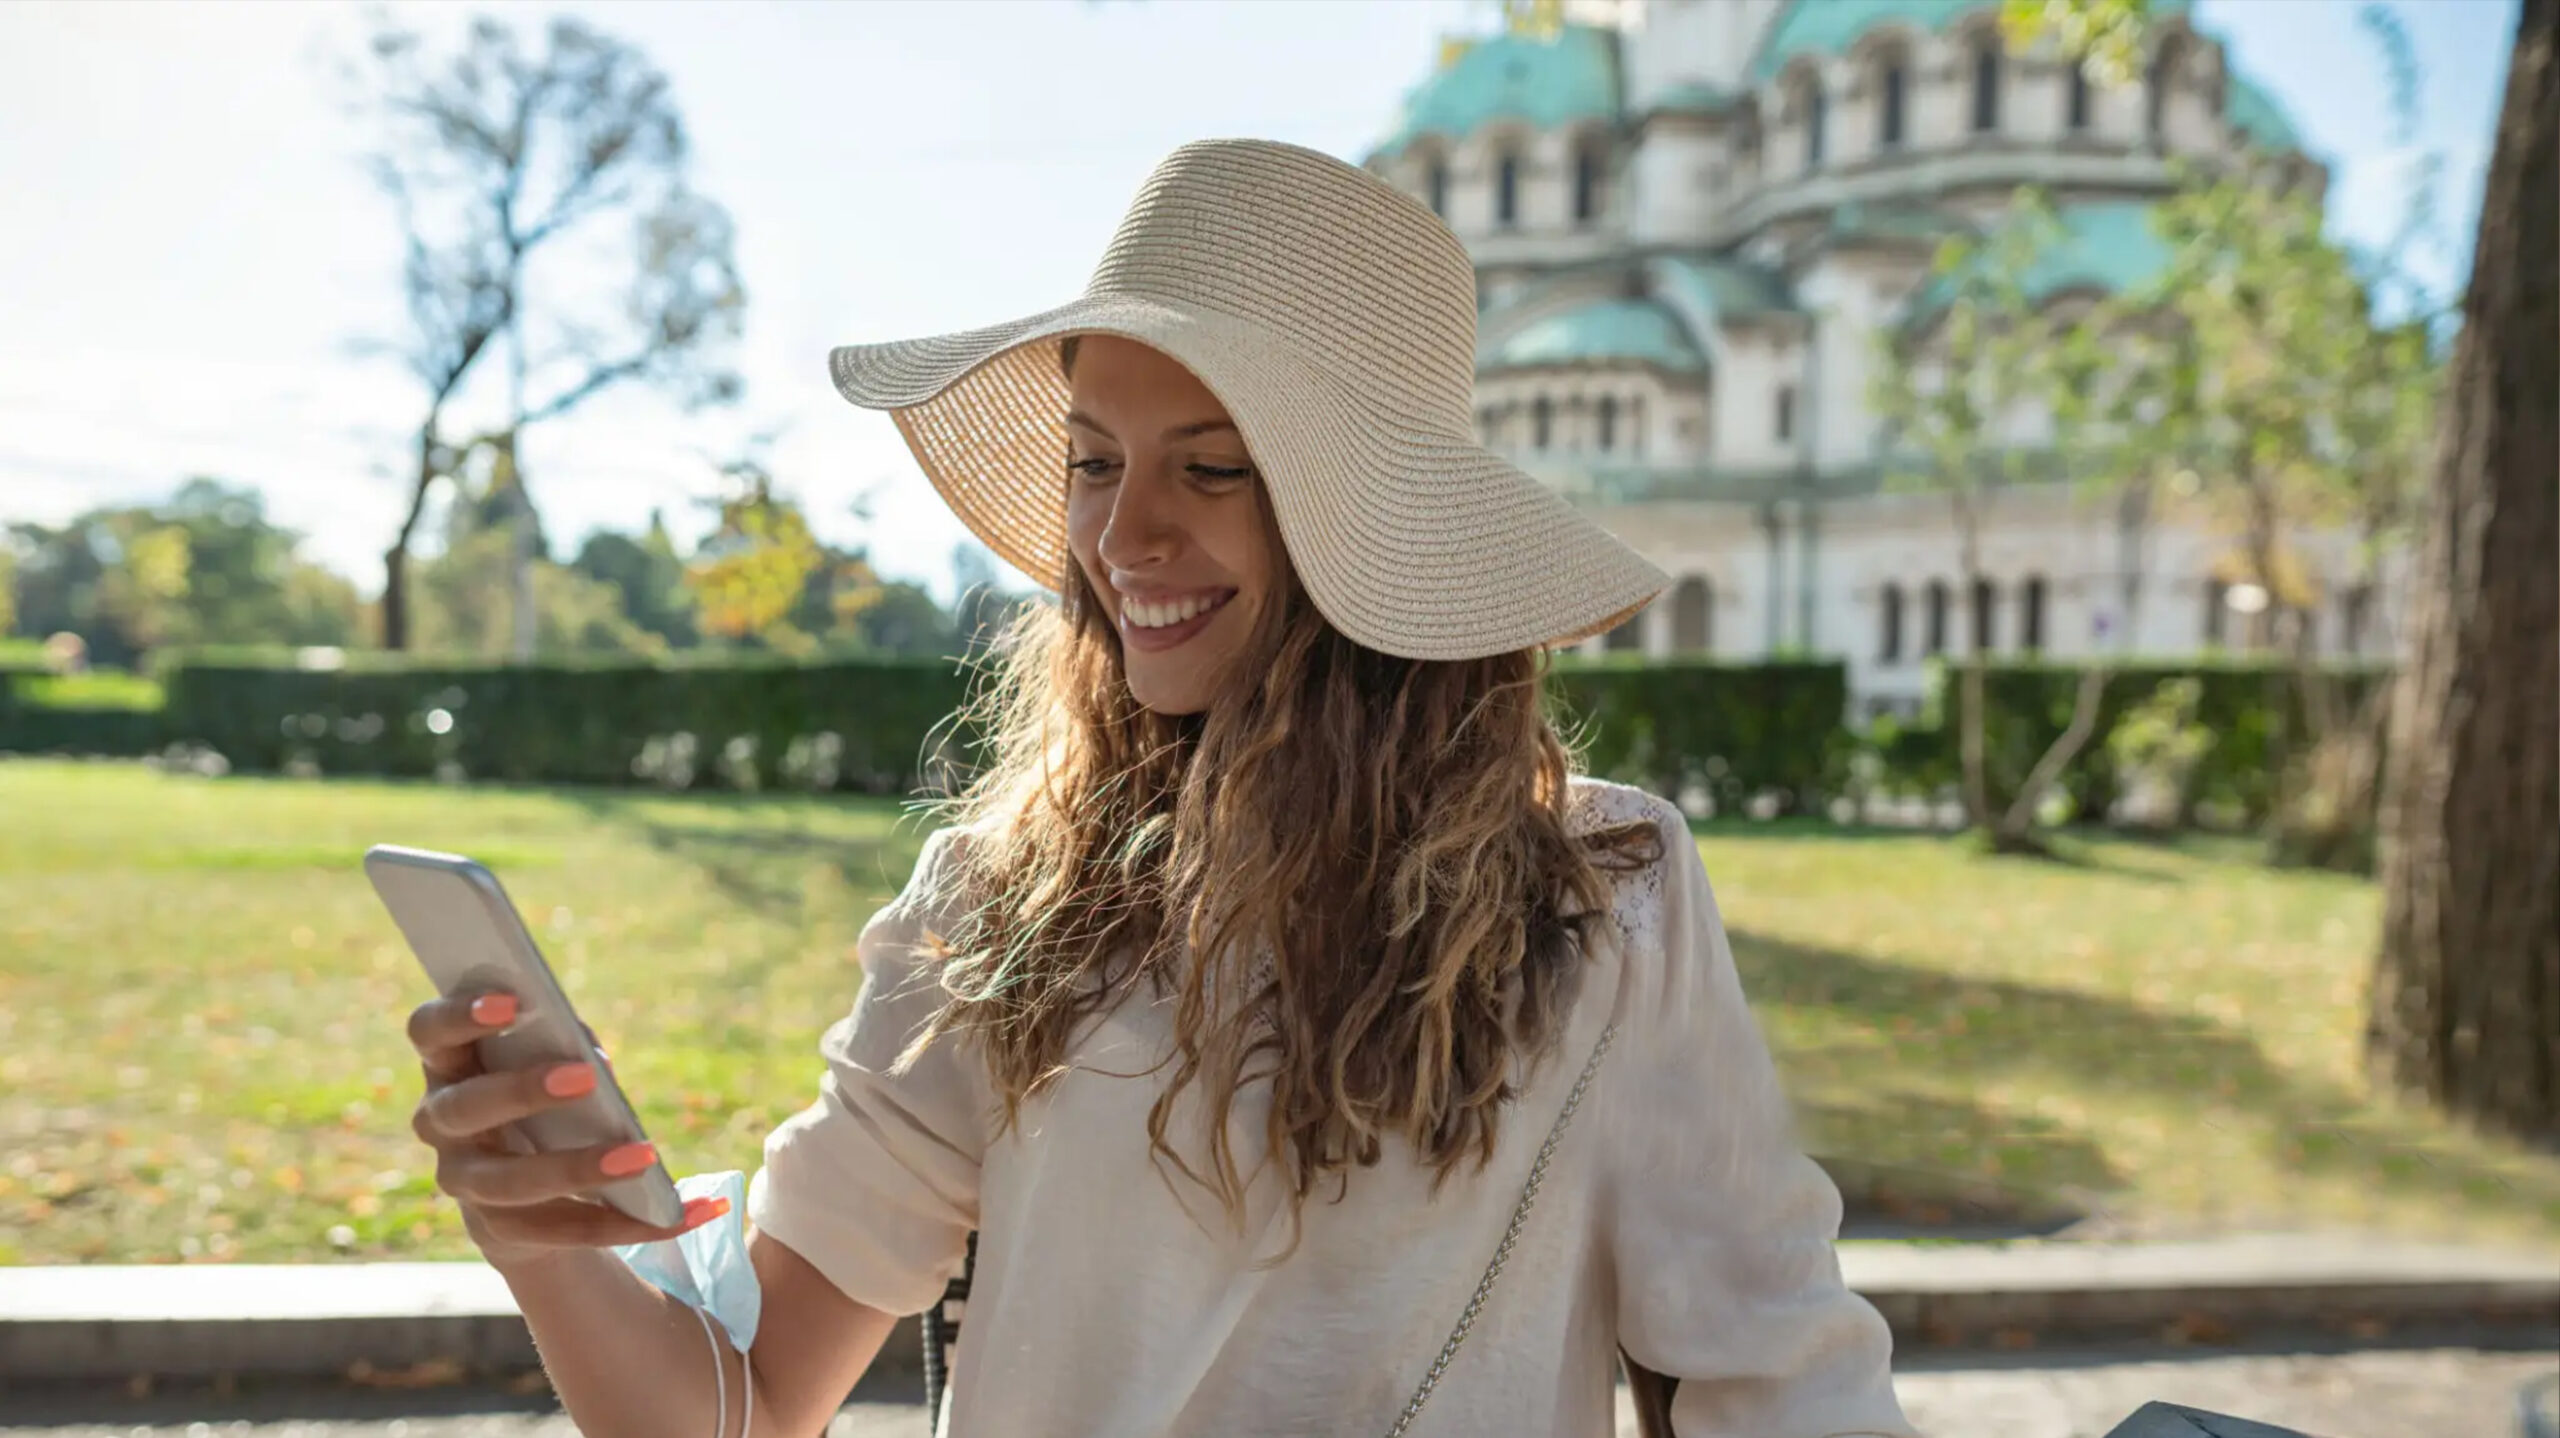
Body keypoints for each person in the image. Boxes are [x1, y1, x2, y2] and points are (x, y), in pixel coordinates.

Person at [402, 139, 1920, 1438]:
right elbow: (736, 1406)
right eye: (1093, 461)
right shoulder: (999, 896)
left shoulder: (1599, 896)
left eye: (1212, 467)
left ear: (1374, 517)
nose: (1123, 536)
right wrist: (538, 1240)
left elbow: (1780, 1378)